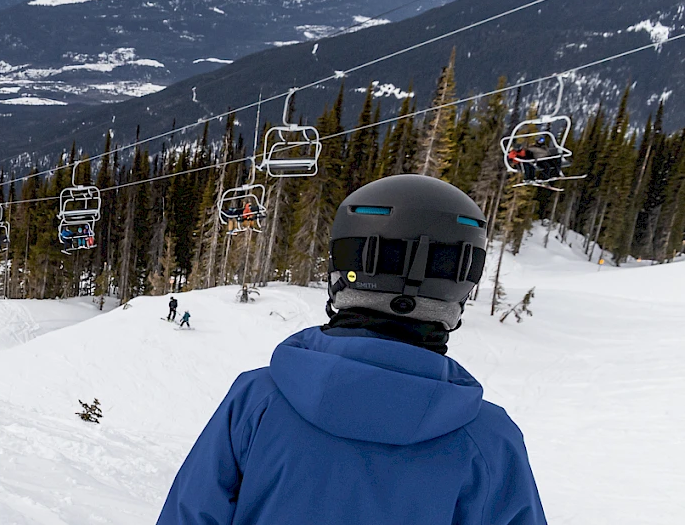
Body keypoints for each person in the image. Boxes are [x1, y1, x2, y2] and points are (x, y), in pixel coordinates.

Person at [157, 174, 544, 525]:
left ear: (341, 273)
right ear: (461, 287)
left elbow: (189, 514)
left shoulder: (258, 402)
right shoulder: (490, 441)